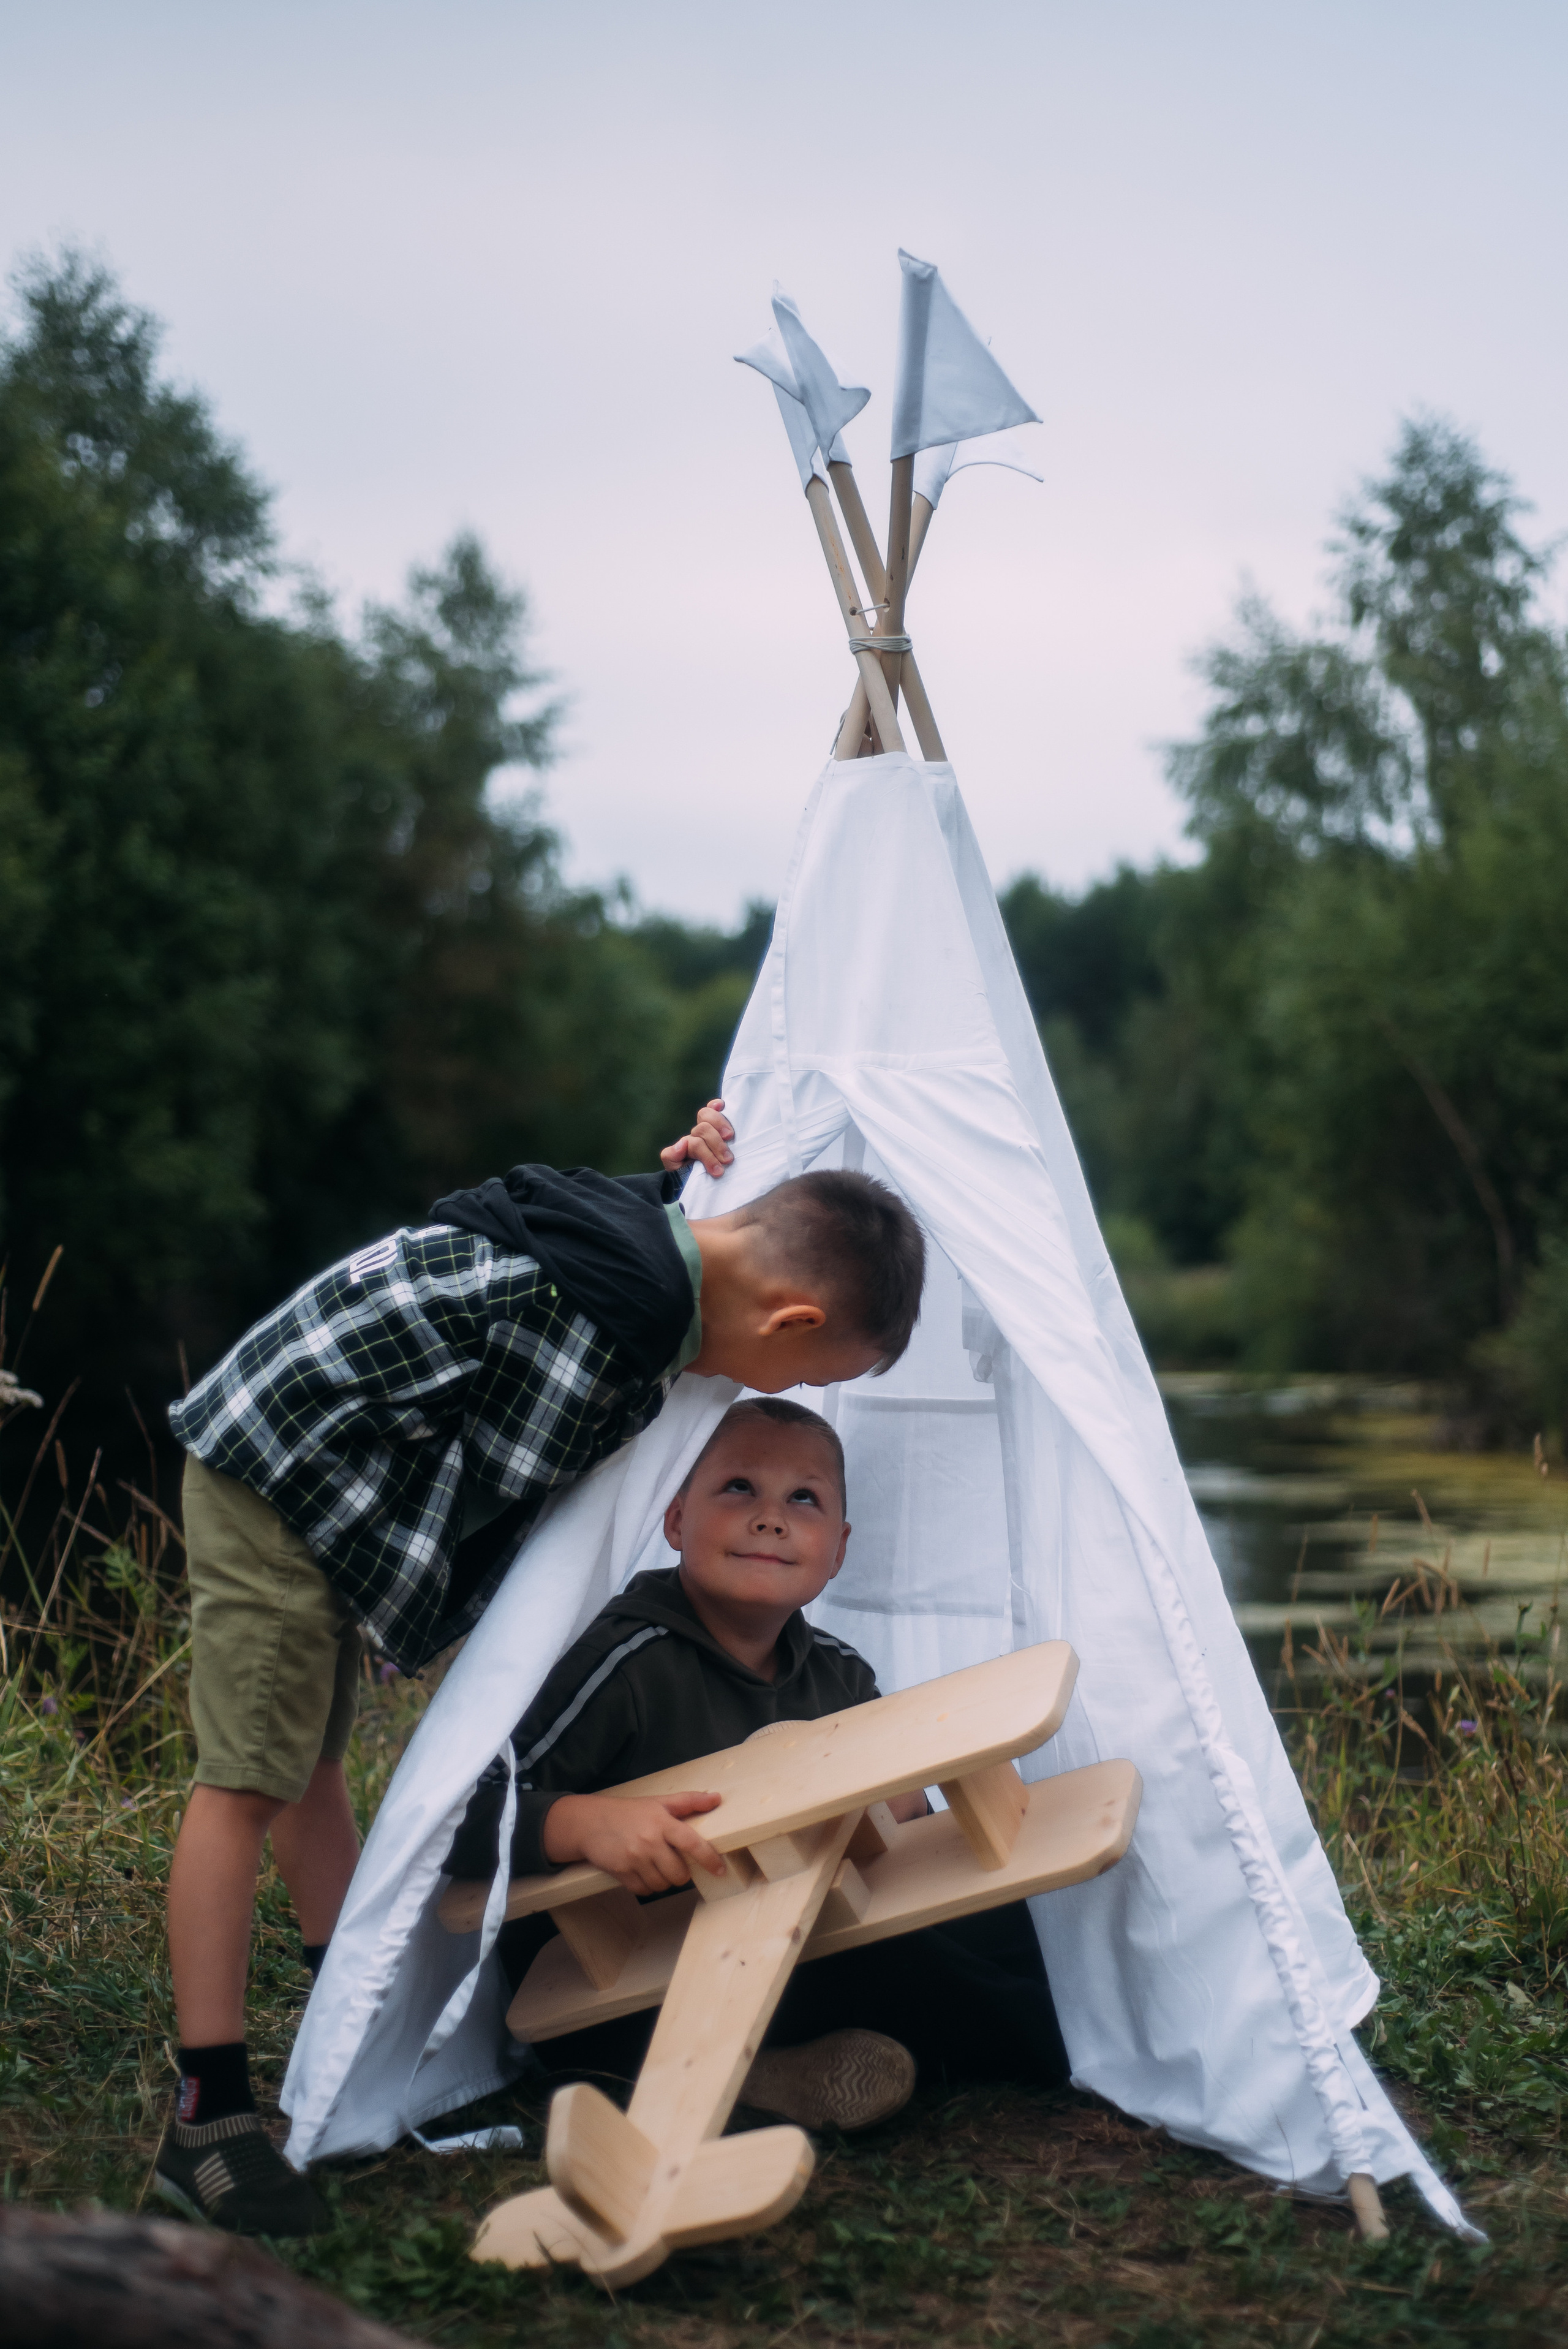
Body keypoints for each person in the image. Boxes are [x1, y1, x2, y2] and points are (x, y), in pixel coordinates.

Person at [154, 1109, 928, 2235]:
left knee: (309, 1769)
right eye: (810, 1372)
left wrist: (682, 1175)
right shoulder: (621, 1324)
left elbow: (521, 1196)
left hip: (317, 1454)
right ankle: (208, 2114)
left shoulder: (640, 1238)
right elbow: (533, 1517)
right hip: (282, 1474)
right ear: (790, 1318)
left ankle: (354, 2030)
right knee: (243, 1787)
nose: (792, 1390)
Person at [443, 1395, 1070, 2138]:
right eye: (738, 1488)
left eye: (803, 1499)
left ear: (837, 1550)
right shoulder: (622, 1662)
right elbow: (461, 1816)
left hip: (785, 1933)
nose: (770, 1518)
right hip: (620, 1976)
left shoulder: (840, 1675)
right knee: (901, 1974)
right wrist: (581, 1824)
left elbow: (902, 1839)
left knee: (990, 1909)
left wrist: (897, 1808)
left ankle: (789, 2068)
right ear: (676, 1520)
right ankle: (1028, 2050)